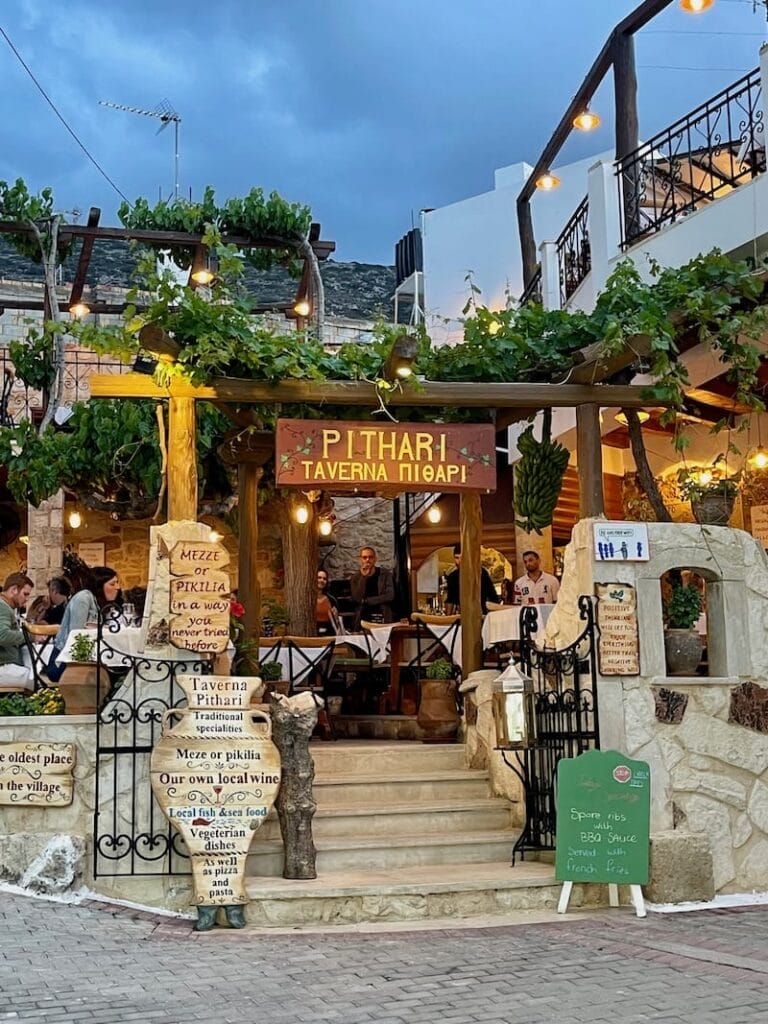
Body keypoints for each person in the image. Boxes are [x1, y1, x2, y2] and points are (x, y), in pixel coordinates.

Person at [46, 566, 121, 682]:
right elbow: (76, 637)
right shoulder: (83, 599)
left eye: (117, 583)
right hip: (63, 664)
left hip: (85, 660)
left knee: (119, 668)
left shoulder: (100, 603)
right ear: (100, 586)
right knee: (116, 672)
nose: (118, 587)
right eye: (112, 584)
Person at [0, 572, 34, 688]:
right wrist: (30, 636)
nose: (26, 599)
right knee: (37, 680)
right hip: (3, 667)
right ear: (14, 589)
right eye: (25, 594)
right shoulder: (2, 607)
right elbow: (2, 635)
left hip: (6, 665)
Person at [349, 546, 395, 629]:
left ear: (375, 559)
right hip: (363, 616)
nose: (367, 560)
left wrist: (368, 600)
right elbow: (357, 598)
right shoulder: (355, 577)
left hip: (382, 615)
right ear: (360, 560)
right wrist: (363, 577)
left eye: (370, 557)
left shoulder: (385, 574)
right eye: (364, 557)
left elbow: (390, 595)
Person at [445, 544, 498, 614]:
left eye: (462, 557)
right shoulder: (453, 577)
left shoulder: (481, 573)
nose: (460, 561)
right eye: (457, 558)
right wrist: (448, 620)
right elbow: (450, 600)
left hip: (481, 615)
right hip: (461, 616)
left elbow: (493, 597)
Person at [316, 568, 340, 636]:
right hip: (312, 632)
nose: (322, 580)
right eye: (319, 578)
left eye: (324, 579)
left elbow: (335, 621)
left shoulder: (331, 600)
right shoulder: (308, 599)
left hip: (328, 633)